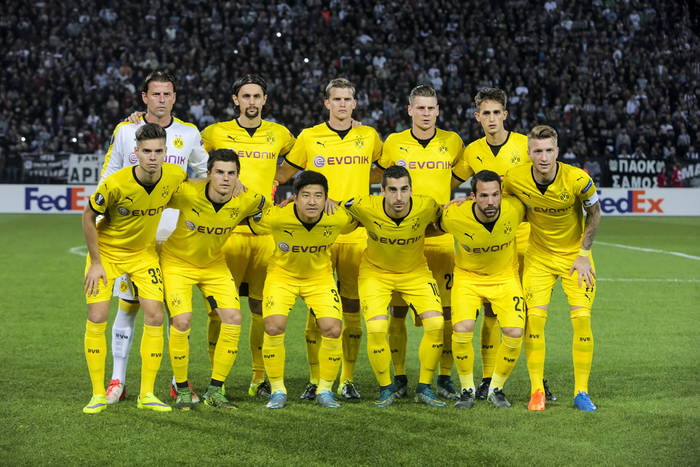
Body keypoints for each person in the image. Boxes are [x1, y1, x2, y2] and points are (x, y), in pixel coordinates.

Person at [102, 70, 208, 405]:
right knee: (129, 305)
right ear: (144, 97)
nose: (162, 100)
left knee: (176, 311)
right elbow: (110, 174)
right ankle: (118, 380)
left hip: (177, 240)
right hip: (135, 239)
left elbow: (205, 174)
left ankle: (179, 382)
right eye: (155, 94)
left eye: (167, 94)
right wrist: (108, 224)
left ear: (174, 97)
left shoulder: (189, 134)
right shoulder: (126, 130)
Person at [275, 78, 383, 401]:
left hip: (355, 235)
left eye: (348, 99)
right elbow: (282, 174)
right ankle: (314, 379)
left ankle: (346, 380)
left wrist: (362, 193)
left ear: (355, 104)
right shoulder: (309, 137)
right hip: (318, 235)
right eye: (337, 99)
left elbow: (384, 170)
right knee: (316, 307)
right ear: (327, 103)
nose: (342, 104)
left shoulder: (369, 136)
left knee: (351, 306)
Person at [451, 87, 558, 402]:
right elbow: (451, 181)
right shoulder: (472, 151)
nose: (492, 119)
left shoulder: (525, 146)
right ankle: (488, 379)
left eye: (497, 112)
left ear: (505, 115)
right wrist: (454, 204)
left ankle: (538, 380)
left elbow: (546, 179)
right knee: (490, 311)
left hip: (526, 239)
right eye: (486, 113)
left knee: (530, 314)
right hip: (493, 243)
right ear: (478, 117)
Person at [200, 74, 296, 399]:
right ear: (235, 100)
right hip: (225, 234)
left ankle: (258, 377)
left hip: (264, 235)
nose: (251, 102)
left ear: (264, 100)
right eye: (246, 96)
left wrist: (279, 180)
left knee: (260, 308)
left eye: (257, 96)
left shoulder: (279, 133)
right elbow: (191, 160)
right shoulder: (215, 133)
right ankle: (218, 379)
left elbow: (302, 157)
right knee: (218, 310)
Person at [82, 123, 186, 414]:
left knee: (155, 315)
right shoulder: (116, 183)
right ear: (136, 152)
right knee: (98, 315)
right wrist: (96, 263)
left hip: (143, 255)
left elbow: (196, 189)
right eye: (147, 151)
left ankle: (147, 394)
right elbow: (88, 216)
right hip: (108, 254)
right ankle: (97, 394)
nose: (153, 157)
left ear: (166, 152)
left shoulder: (175, 176)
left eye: (158, 151)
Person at [373, 84, 464, 400]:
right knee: (396, 313)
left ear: (438, 110)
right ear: (410, 110)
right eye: (420, 108)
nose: (426, 113)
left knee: (447, 315)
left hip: (440, 242)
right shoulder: (394, 143)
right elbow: (381, 178)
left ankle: (444, 378)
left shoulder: (453, 142)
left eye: (431, 108)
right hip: (402, 244)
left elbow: (458, 178)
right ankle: (399, 376)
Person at [503, 125, 601, 411]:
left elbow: (594, 213)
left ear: (557, 151)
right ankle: (537, 391)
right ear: (529, 153)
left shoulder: (578, 179)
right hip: (539, 257)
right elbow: (503, 204)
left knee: (581, 319)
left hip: (574, 258)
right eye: (538, 151)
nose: (543, 157)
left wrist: (584, 254)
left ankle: (581, 392)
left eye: (548, 150)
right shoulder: (514, 178)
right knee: (534, 321)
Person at [161, 149, 268, 410]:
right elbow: (156, 194)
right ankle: (182, 389)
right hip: (177, 263)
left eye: (231, 173)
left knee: (233, 318)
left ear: (238, 176)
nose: (225, 178)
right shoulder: (187, 193)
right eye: (219, 172)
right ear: (208, 174)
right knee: (182, 320)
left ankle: (216, 391)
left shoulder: (247, 198)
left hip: (213, 265)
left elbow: (264, 206)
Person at [249, 171, 358, 409]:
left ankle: (325, 390)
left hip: (319, 278)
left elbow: (362, 215)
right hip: (282, 276)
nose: (312, 201)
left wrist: (339, 204)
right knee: (273, 326)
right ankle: (277, 390)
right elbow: (248, 217)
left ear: (326, 198)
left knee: (333, 328)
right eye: (306, 195)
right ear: (294, 197)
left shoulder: (338, 217)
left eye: (318, 196)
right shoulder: (278, 217)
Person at [344, 165, 445, 408]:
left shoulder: (426, 205)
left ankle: (424, 387)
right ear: (382, 191)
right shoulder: (364, 205)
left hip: (415, 272)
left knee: (436, 324)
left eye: (404, 189)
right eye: (392, 190)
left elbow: (444, 218)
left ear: (411, 189)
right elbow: (334, 207)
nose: (399, 197)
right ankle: (386, 388)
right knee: (377, 328)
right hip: (375, 274)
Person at [439, 170, 525, 409]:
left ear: (501, 194)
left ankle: (496, 388)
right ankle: (467, 389)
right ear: (473, 197)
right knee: (462, 327)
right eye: (484, 195)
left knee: (515, 332)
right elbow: (434, 224)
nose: (490, 201)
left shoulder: (515, 209)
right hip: (468, 278)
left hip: (505, 277)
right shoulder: (455, 215)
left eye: (495, 195)